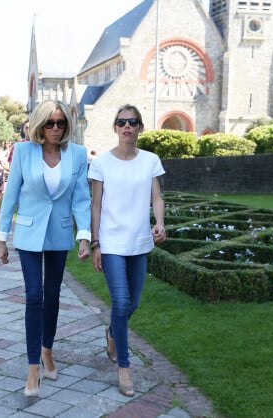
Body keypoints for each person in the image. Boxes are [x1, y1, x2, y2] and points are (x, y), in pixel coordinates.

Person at [0, 100, 91, 397]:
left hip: (59, 234)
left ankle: (47, 350)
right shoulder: (24, 151)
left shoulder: (76, 154)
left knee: (52, 295)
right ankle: (32, 368)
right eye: (50, 123)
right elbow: (10, 195)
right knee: (34, 295)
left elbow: (81, 198)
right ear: (39, 124)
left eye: (61, 123)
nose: (55, 128)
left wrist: (84, 235)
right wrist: (1, 237)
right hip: (27, 233)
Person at [88, 104, 167, 397]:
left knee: (132, 304)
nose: (127, 126)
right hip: (111, 244)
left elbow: (156, 196)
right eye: (121, 122)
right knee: (120, 302)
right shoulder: (101, 164)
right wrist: (96, 243)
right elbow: (95, 205)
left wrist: (159, 222)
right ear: (115, 127)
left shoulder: (150, 161)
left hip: (139, 243)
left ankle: (112, 333)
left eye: (133, 122)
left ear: (140, 128)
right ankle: (124, 366)